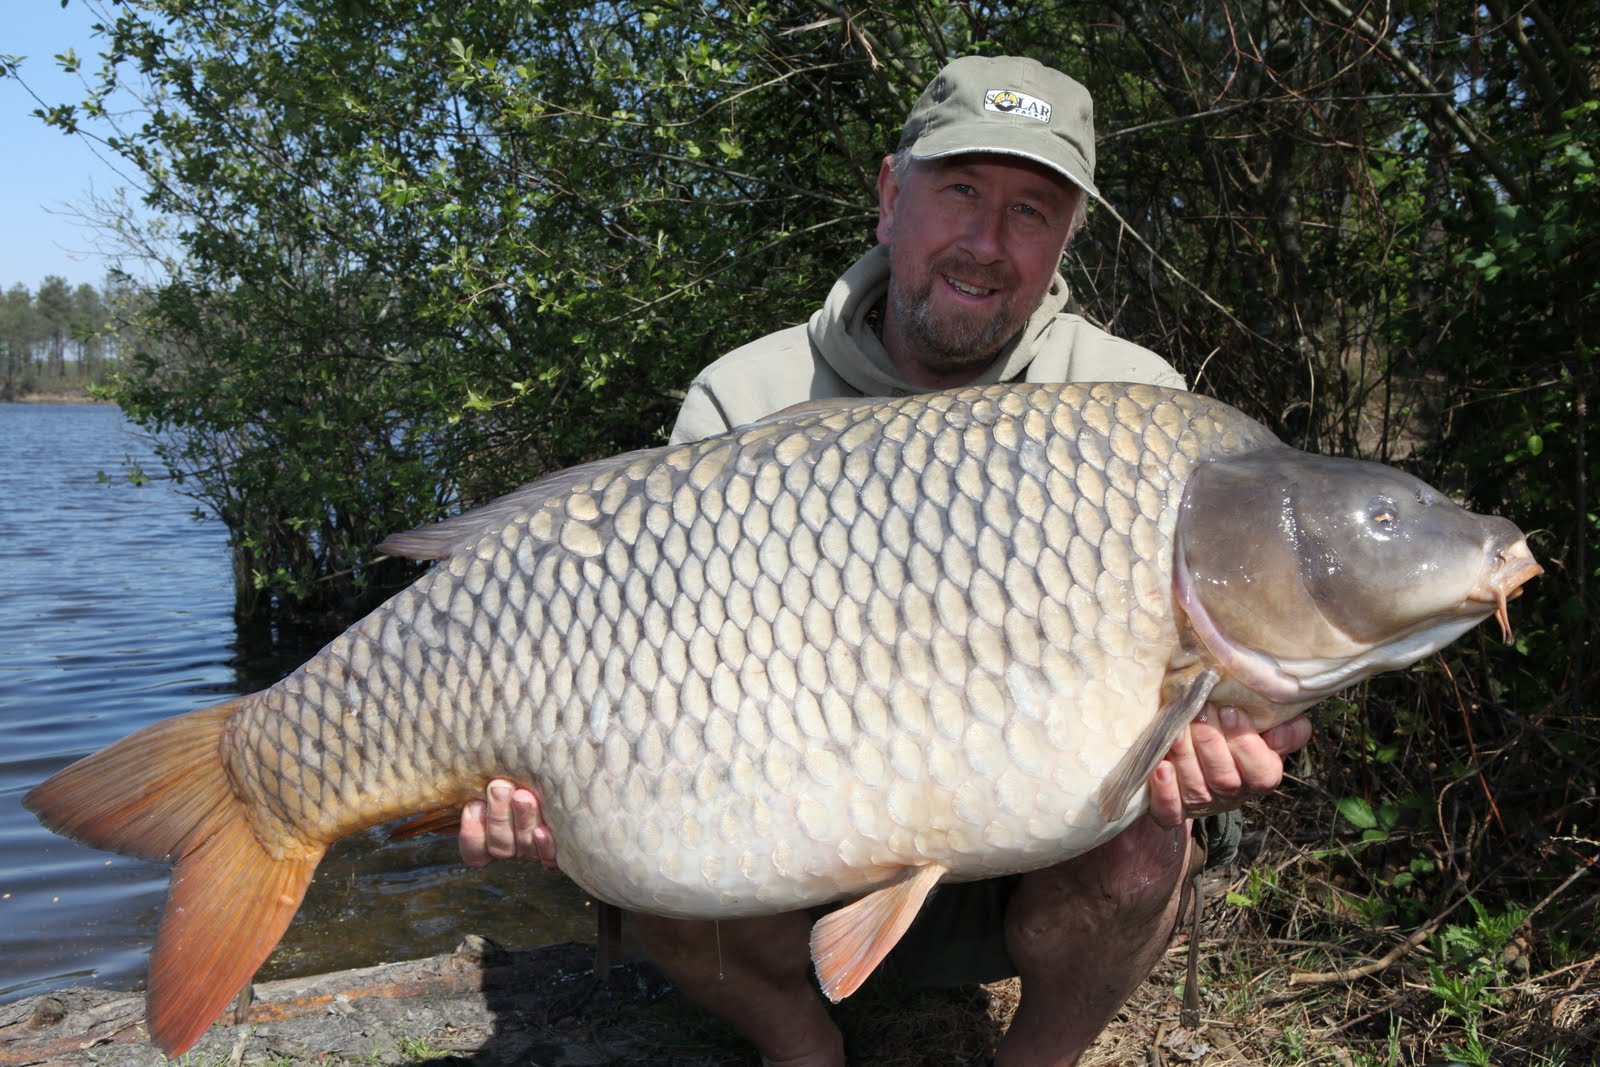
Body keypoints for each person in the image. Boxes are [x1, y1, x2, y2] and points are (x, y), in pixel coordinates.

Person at [459, 55, 1311, 1066]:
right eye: (959, 192)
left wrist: (1217, 744)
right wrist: (556, 795)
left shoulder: (1130, 405)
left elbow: (1222, 655)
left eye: (1031, 211)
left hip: (1041, 847)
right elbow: (650, 679)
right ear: (887, 196)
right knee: (639, 828)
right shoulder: (748, 397)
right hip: (790, 844)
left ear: (1066, 236)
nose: (987, 244)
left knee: (1149, 831)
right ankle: (800, 1046)